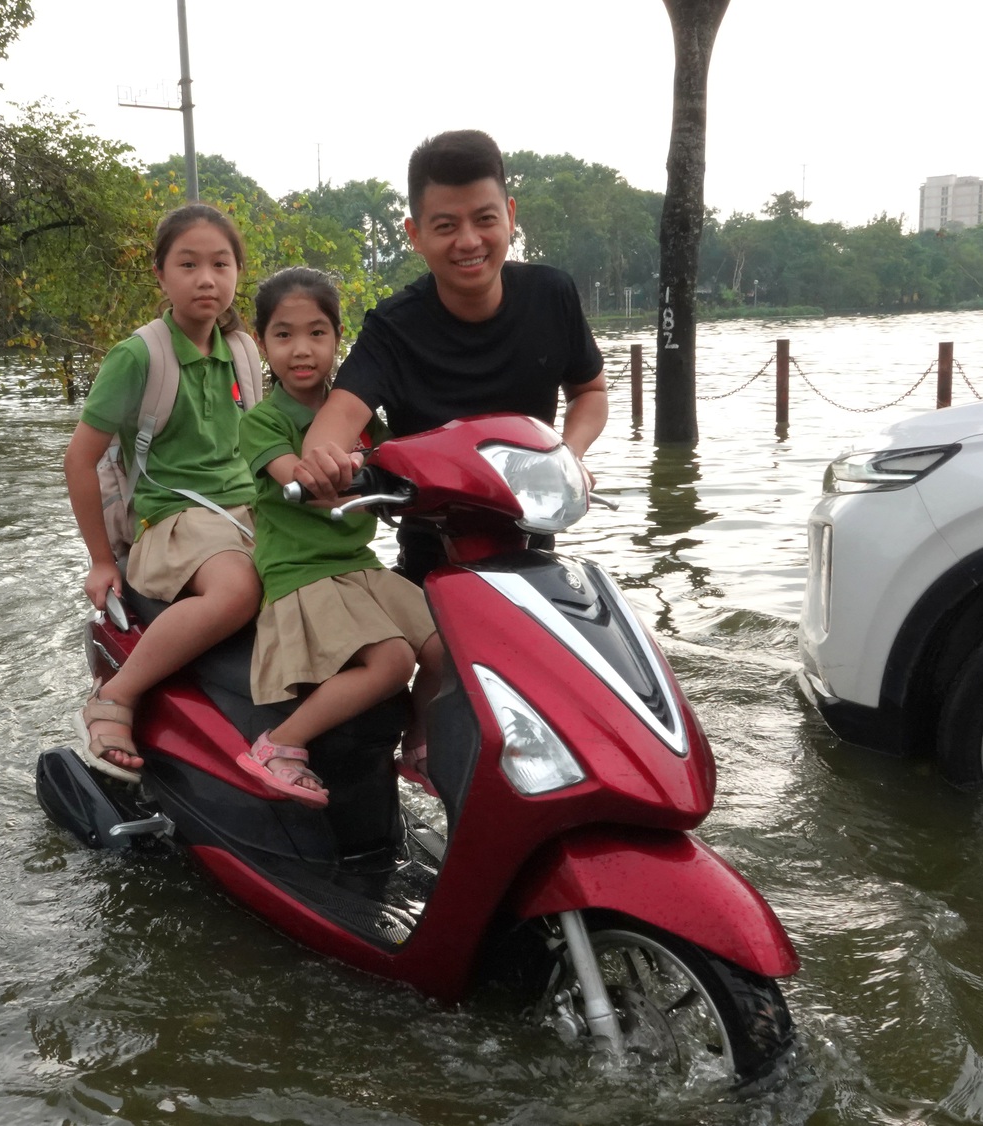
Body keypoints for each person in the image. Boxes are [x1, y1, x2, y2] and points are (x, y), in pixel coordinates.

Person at [293, 130, 608, 584]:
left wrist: (569, 455)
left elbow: (590, 392)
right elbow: (339, 414)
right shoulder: (393, 326)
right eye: (445, 226)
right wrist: (323, 458)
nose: (469, 241)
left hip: (534, 545)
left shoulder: (552, 294)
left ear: (510, 216)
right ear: (415, 235)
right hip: (431, 557)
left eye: (485, 219)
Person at [62, 204, 262, 779]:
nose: (207, 279)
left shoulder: (243, 353)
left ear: (237, 274)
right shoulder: (137, 357)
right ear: (161, 274)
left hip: (246, 513)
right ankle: (115, 698)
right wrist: (101, 560)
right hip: (171, 521)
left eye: (221, 264)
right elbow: (80, 459)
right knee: (235, 594)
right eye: (189, 264)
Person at [237, 268, 447, 805]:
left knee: (450, 644)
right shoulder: (260, 423)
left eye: (317, 333)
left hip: (360, 566)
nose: (301, 350)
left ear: (338, 339)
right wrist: (349, 466)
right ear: (263, 343)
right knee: (395, 660)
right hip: (301, 573)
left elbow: (406, 460)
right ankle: (279, 744)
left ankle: (418, 738)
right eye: (283, 335)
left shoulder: (362, 418)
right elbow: (297, 474)